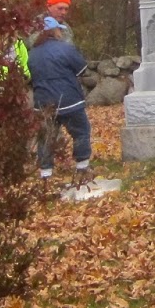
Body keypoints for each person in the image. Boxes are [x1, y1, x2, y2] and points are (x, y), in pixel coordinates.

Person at [30, 16, 94, 187]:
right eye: (59, 29)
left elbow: (30, 77)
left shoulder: (33, 54)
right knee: (80, 131)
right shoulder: (65, 49)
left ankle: (45, 174)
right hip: (69, 100)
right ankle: (82, 167)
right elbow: (81, 68)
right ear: (54, 31)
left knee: (45, 138)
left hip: (43, 103)